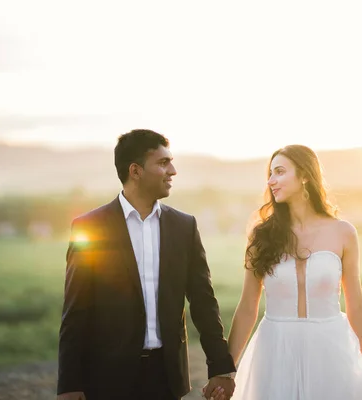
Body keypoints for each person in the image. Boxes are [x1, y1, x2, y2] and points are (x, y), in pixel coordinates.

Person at [206, 144, 362, 399]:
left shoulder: (343, 232)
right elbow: (248, 305)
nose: (271, 181)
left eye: (279, 172)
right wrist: (227, 371)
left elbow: (356, 303)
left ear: (304, 176)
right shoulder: (261, 235)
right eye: (269, 174)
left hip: (330, 348)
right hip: (275, 349)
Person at [57, 129, 236, 400]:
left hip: (165, 379)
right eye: (163, 163)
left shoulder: (184, 227)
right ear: (136, 171)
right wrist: (69, 383)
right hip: (106, 380)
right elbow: (76, 310)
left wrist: (221, 368)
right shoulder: (90, 227)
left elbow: (203, 302)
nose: (173, 170)